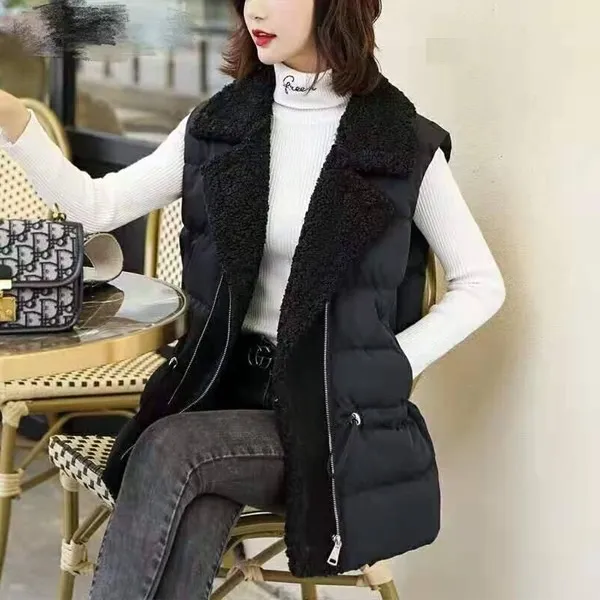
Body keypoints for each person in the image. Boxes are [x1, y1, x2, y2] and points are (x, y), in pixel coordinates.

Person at [0, 0, 506, 597]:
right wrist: (12, 117)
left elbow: (481, 284)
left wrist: (387, 366)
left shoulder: (400, 142)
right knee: (194, 491)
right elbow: (97, 207)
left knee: (170, 448)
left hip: (327, 419)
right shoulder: (221, 124)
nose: (255, 10)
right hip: (221, 392)